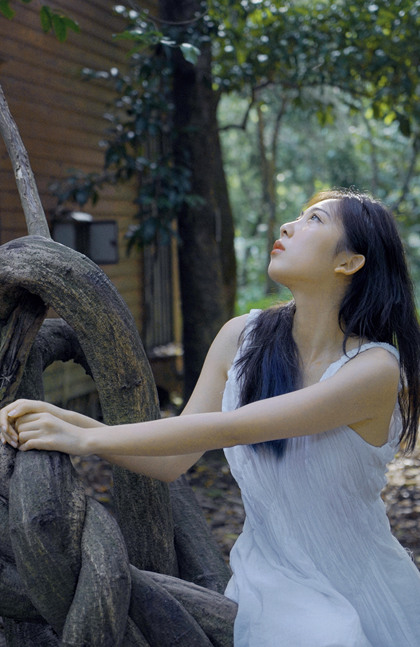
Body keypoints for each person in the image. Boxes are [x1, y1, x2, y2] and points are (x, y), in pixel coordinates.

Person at [2, 188, 420, 646]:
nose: (288, 226)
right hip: (274, 579)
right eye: (298, 216)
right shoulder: (241, 337)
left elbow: (234, 427)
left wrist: (86, 440)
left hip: (367, 585)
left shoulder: (375, 369)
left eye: (314, 220)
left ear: (349, 262)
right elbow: (172, 461)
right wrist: (72, 422)